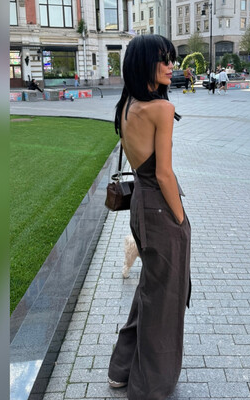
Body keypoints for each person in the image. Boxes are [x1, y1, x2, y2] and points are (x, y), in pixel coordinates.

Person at [107, 34, 191, 400]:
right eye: (164, 60)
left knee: (150, 290)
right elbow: (164, 174)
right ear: (144, 64)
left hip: (140, 206)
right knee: (165, 298)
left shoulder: (128, 104)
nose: (172, 66)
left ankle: (121, 369)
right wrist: (181, 219)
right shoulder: (161, 109)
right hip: (159, 206)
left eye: (172, 59)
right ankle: (149, 387)